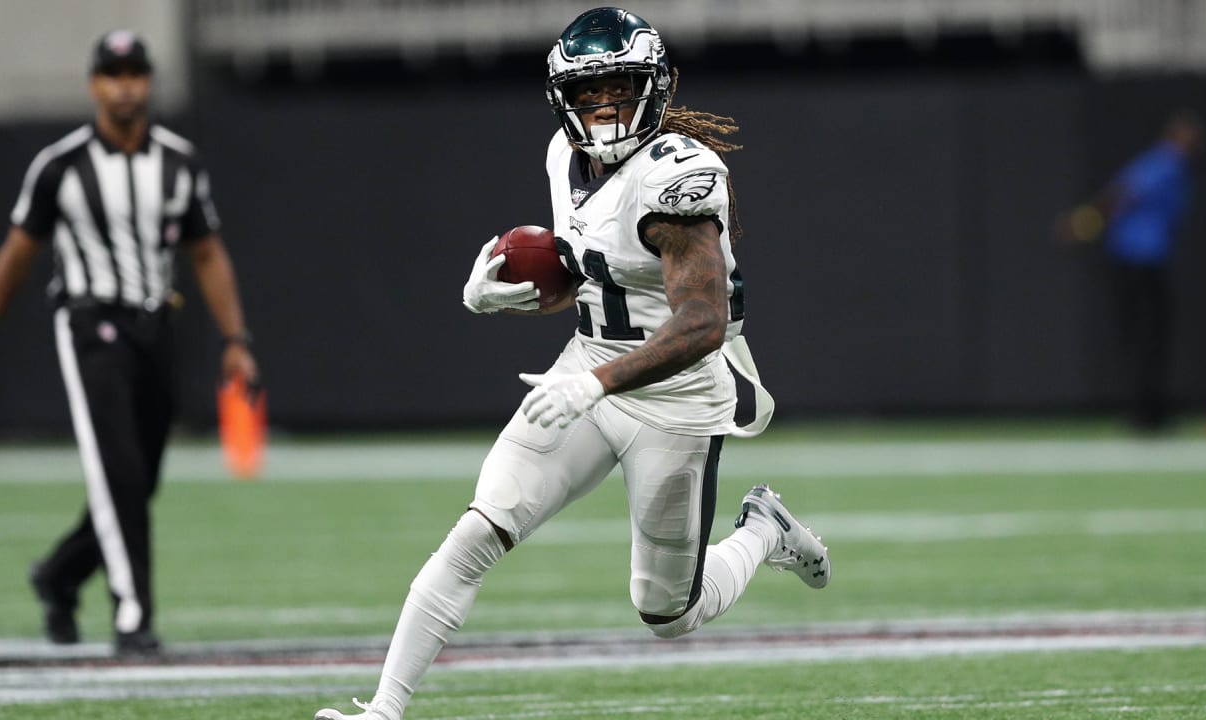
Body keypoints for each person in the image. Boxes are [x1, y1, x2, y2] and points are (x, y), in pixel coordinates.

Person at [315, 8, 828, 719]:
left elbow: (702, 321)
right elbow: (600, 282)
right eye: (588, 94)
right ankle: (382, 711)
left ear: (656, 86)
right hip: (589, 369)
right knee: (478, 530)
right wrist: (502, 300)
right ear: (565, 101)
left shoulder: (679, 179)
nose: (605, 107)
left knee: (667, 615)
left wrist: (594, 383)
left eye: (618, 88)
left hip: (675, 398)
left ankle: (764, 529)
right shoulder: (564, 155)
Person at [0, 30, 259, 656]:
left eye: (135, 73)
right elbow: (17, 255)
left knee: (139, 479)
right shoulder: (59, 165)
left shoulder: (178, 161)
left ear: (148, 82)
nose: (125, 85)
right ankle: (132, 615)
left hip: (154, 324)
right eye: (113, 74)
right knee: (118, 470)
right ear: (94, 85)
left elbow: (207, 252)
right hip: (90, 325)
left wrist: (235, 339)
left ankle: (60, 574)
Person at [1056, 111, 1202, 432]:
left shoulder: (1176, 168)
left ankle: (1152, 410)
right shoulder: (1162, 163)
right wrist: (1083, 223)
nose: (1193, 144)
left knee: (1154, 337)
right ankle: (1143, 413)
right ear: (1174, 137)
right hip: (1138, 262)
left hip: (1152, 260)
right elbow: (1120, 195)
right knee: (1145, 337)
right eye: (1188, 137)